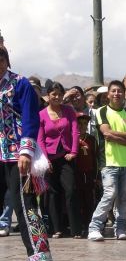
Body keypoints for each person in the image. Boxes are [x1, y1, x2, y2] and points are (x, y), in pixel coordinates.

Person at [0, 44, 54, 261]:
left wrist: (26, 152)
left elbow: (31, 119)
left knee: (25, 207)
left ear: (6, 60)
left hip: (17, 156)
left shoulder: (20, 84)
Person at [87, 80, 126, 241]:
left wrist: (125, 137)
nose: (117, 94)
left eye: (120, 91)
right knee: (110, 194)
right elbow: (106, 134)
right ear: (108, 94)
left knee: (125, 198)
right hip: (109, 162)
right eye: (113, 91)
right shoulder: (101, 111)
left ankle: (120, 228)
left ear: (124, 94)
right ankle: (94, 227)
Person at [37, 82, 81, 238]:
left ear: (63, 96)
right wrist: (45, 159)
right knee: (53, 193)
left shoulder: (69, 111)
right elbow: (40, 139)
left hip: (66, 157)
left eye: (59, 94)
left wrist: (74, 151)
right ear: (48, 96)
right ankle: (57, 229)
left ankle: (76, 229)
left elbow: (75, 131)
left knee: (70, 190)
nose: (56, 97)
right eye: (53, 94)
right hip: (49, 158)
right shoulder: (42, 114)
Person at [75, 112, 98, 237]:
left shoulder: (91, 139)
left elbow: (95, 158)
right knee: (77, 200)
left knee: (89, 200)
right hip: (76, 174)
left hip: (88, 174)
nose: (82, 126)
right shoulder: (71, 137)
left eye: (85, 123)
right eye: (80, 123)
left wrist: (96, 176)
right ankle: (77, 225)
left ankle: (88, 224)